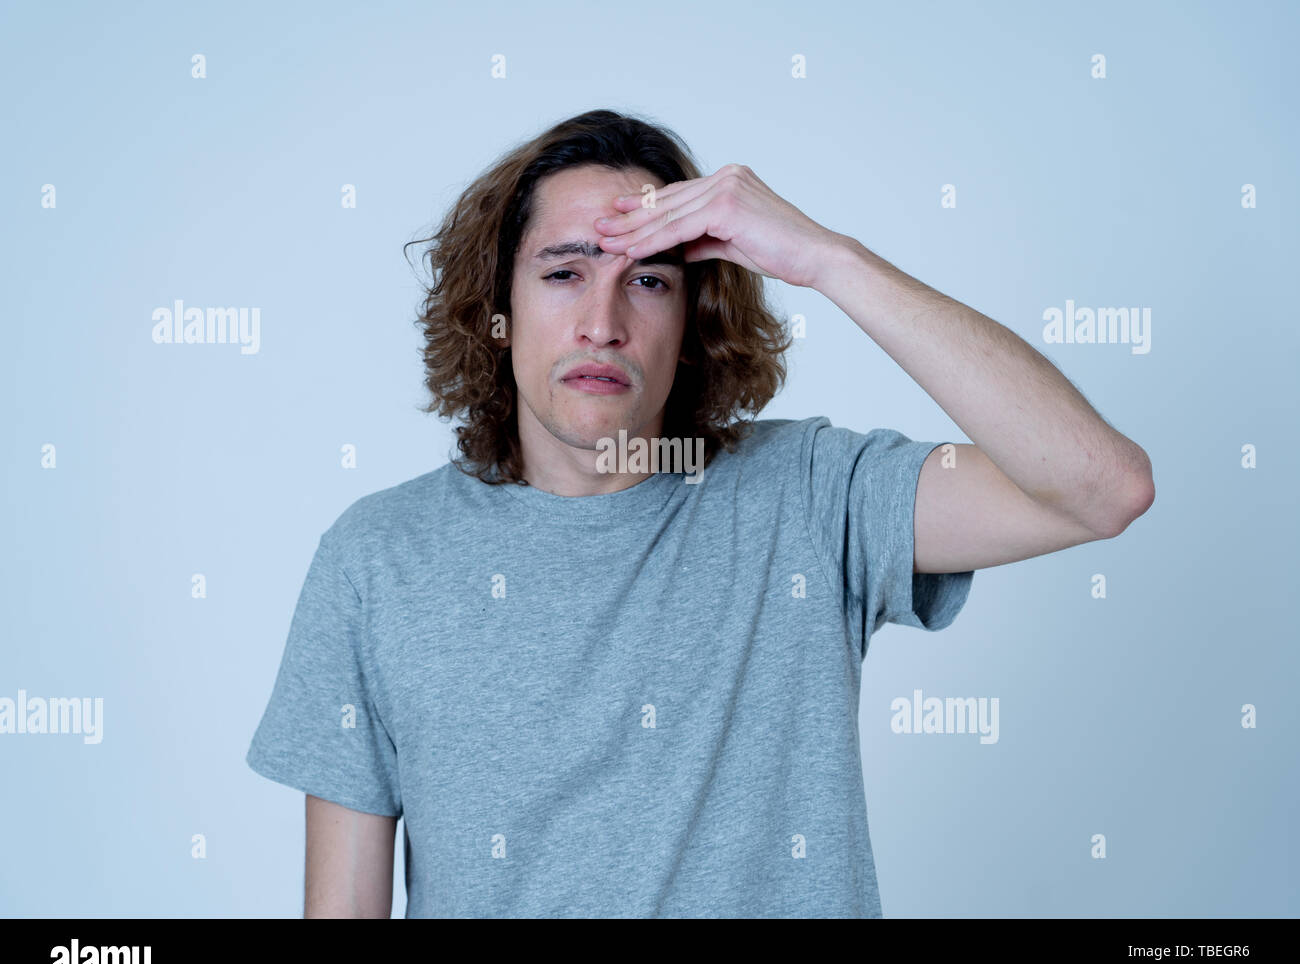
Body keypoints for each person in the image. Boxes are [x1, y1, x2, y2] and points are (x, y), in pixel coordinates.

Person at [246, 108, 1154, 918]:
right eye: (565, 273)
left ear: (690, 326)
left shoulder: (806, 495)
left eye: (649, 281)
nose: (602, 322)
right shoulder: (377, 560)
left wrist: (827, 260)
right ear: (499, 311)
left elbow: (1101, 486)